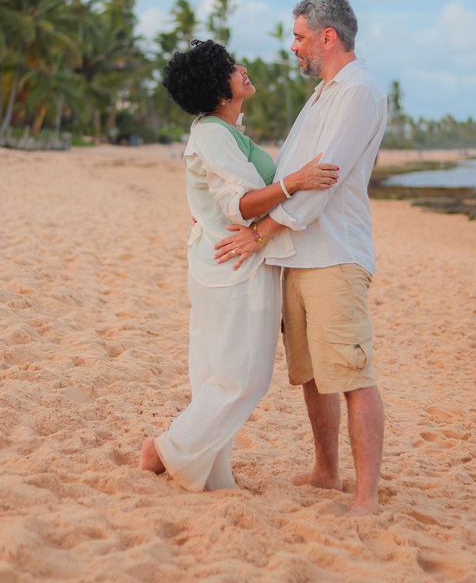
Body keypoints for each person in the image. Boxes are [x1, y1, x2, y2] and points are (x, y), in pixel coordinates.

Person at [213, 0, 388, 516]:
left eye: (299, 37)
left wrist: (259, 231)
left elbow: (323, 180)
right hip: (298, 256)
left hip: (335, 256)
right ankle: (327, 472)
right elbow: (289, 171)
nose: (294, 48)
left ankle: (366, 497)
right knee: (313, 375)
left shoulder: (358, 91)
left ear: (327, 37)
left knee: (352, 375)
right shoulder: (323, 94)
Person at [138, 39, 340, 492]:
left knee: (216, 374)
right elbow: (240, 207)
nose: (243, 68)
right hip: (235, 264)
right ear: (217, 89)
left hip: (222, 261)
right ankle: (163, 451)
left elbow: (214, 197)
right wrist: (296, 181)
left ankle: (214, 477)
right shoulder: (212, 133)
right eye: (231, 67)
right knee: (244, 378)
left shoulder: (221, 131)